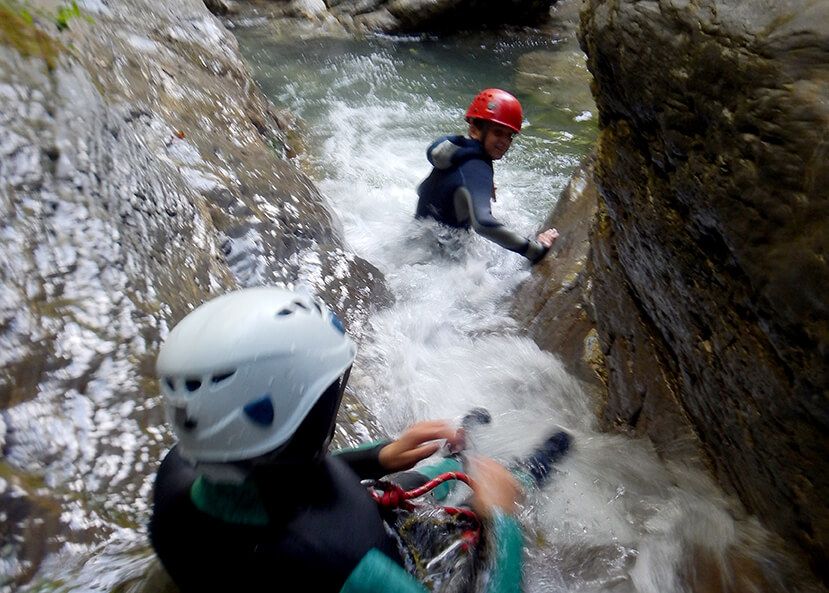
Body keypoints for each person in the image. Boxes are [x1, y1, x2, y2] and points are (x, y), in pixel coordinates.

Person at [148, 286, 535, 593]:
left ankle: (464, 453)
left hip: (326, 512)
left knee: (441, 471)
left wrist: (379, 456)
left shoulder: (175, 477)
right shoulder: (340, 562)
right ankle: (523, 468)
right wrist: (503, 525)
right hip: (375, 548)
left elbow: (277, 473)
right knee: (487, 487)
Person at [416, 88, 559, 264]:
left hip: (418, 245)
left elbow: (422, 189)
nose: (505, 142)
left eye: (510, 136)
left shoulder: (456, 154)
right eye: (498, 132)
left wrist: (466, 193)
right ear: (475, 129)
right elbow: (483, 224)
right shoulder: (477, 167)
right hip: (443, 262)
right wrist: (536, 249)